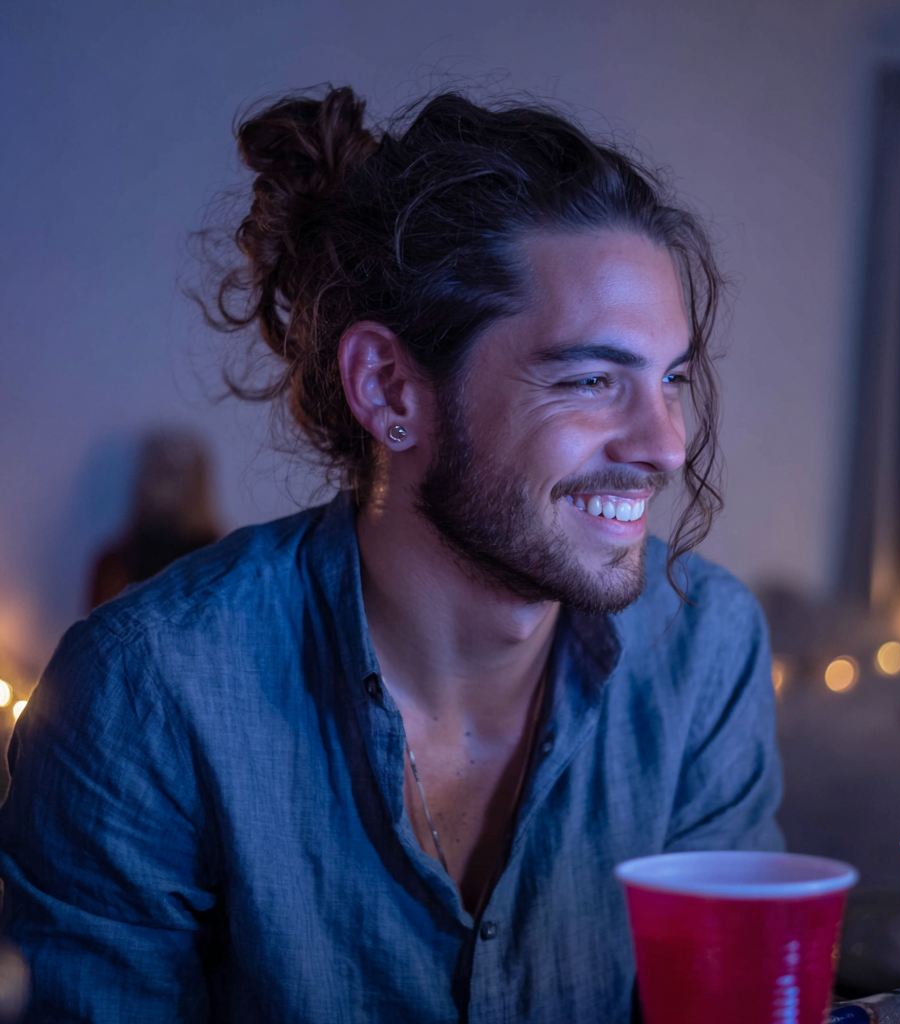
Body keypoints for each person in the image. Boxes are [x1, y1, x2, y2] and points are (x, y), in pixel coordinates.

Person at [0, 86, 783, 1022]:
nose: (664, 444)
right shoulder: (147, 693)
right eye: (589, 379)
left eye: (672, 382)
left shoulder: (707, 647)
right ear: (388, 388)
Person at [87, 428, 222, 609]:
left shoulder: (223, 562)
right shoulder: (113, 565)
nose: (166, 485)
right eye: (158, 470)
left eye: (178, 473)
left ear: (199, 482)